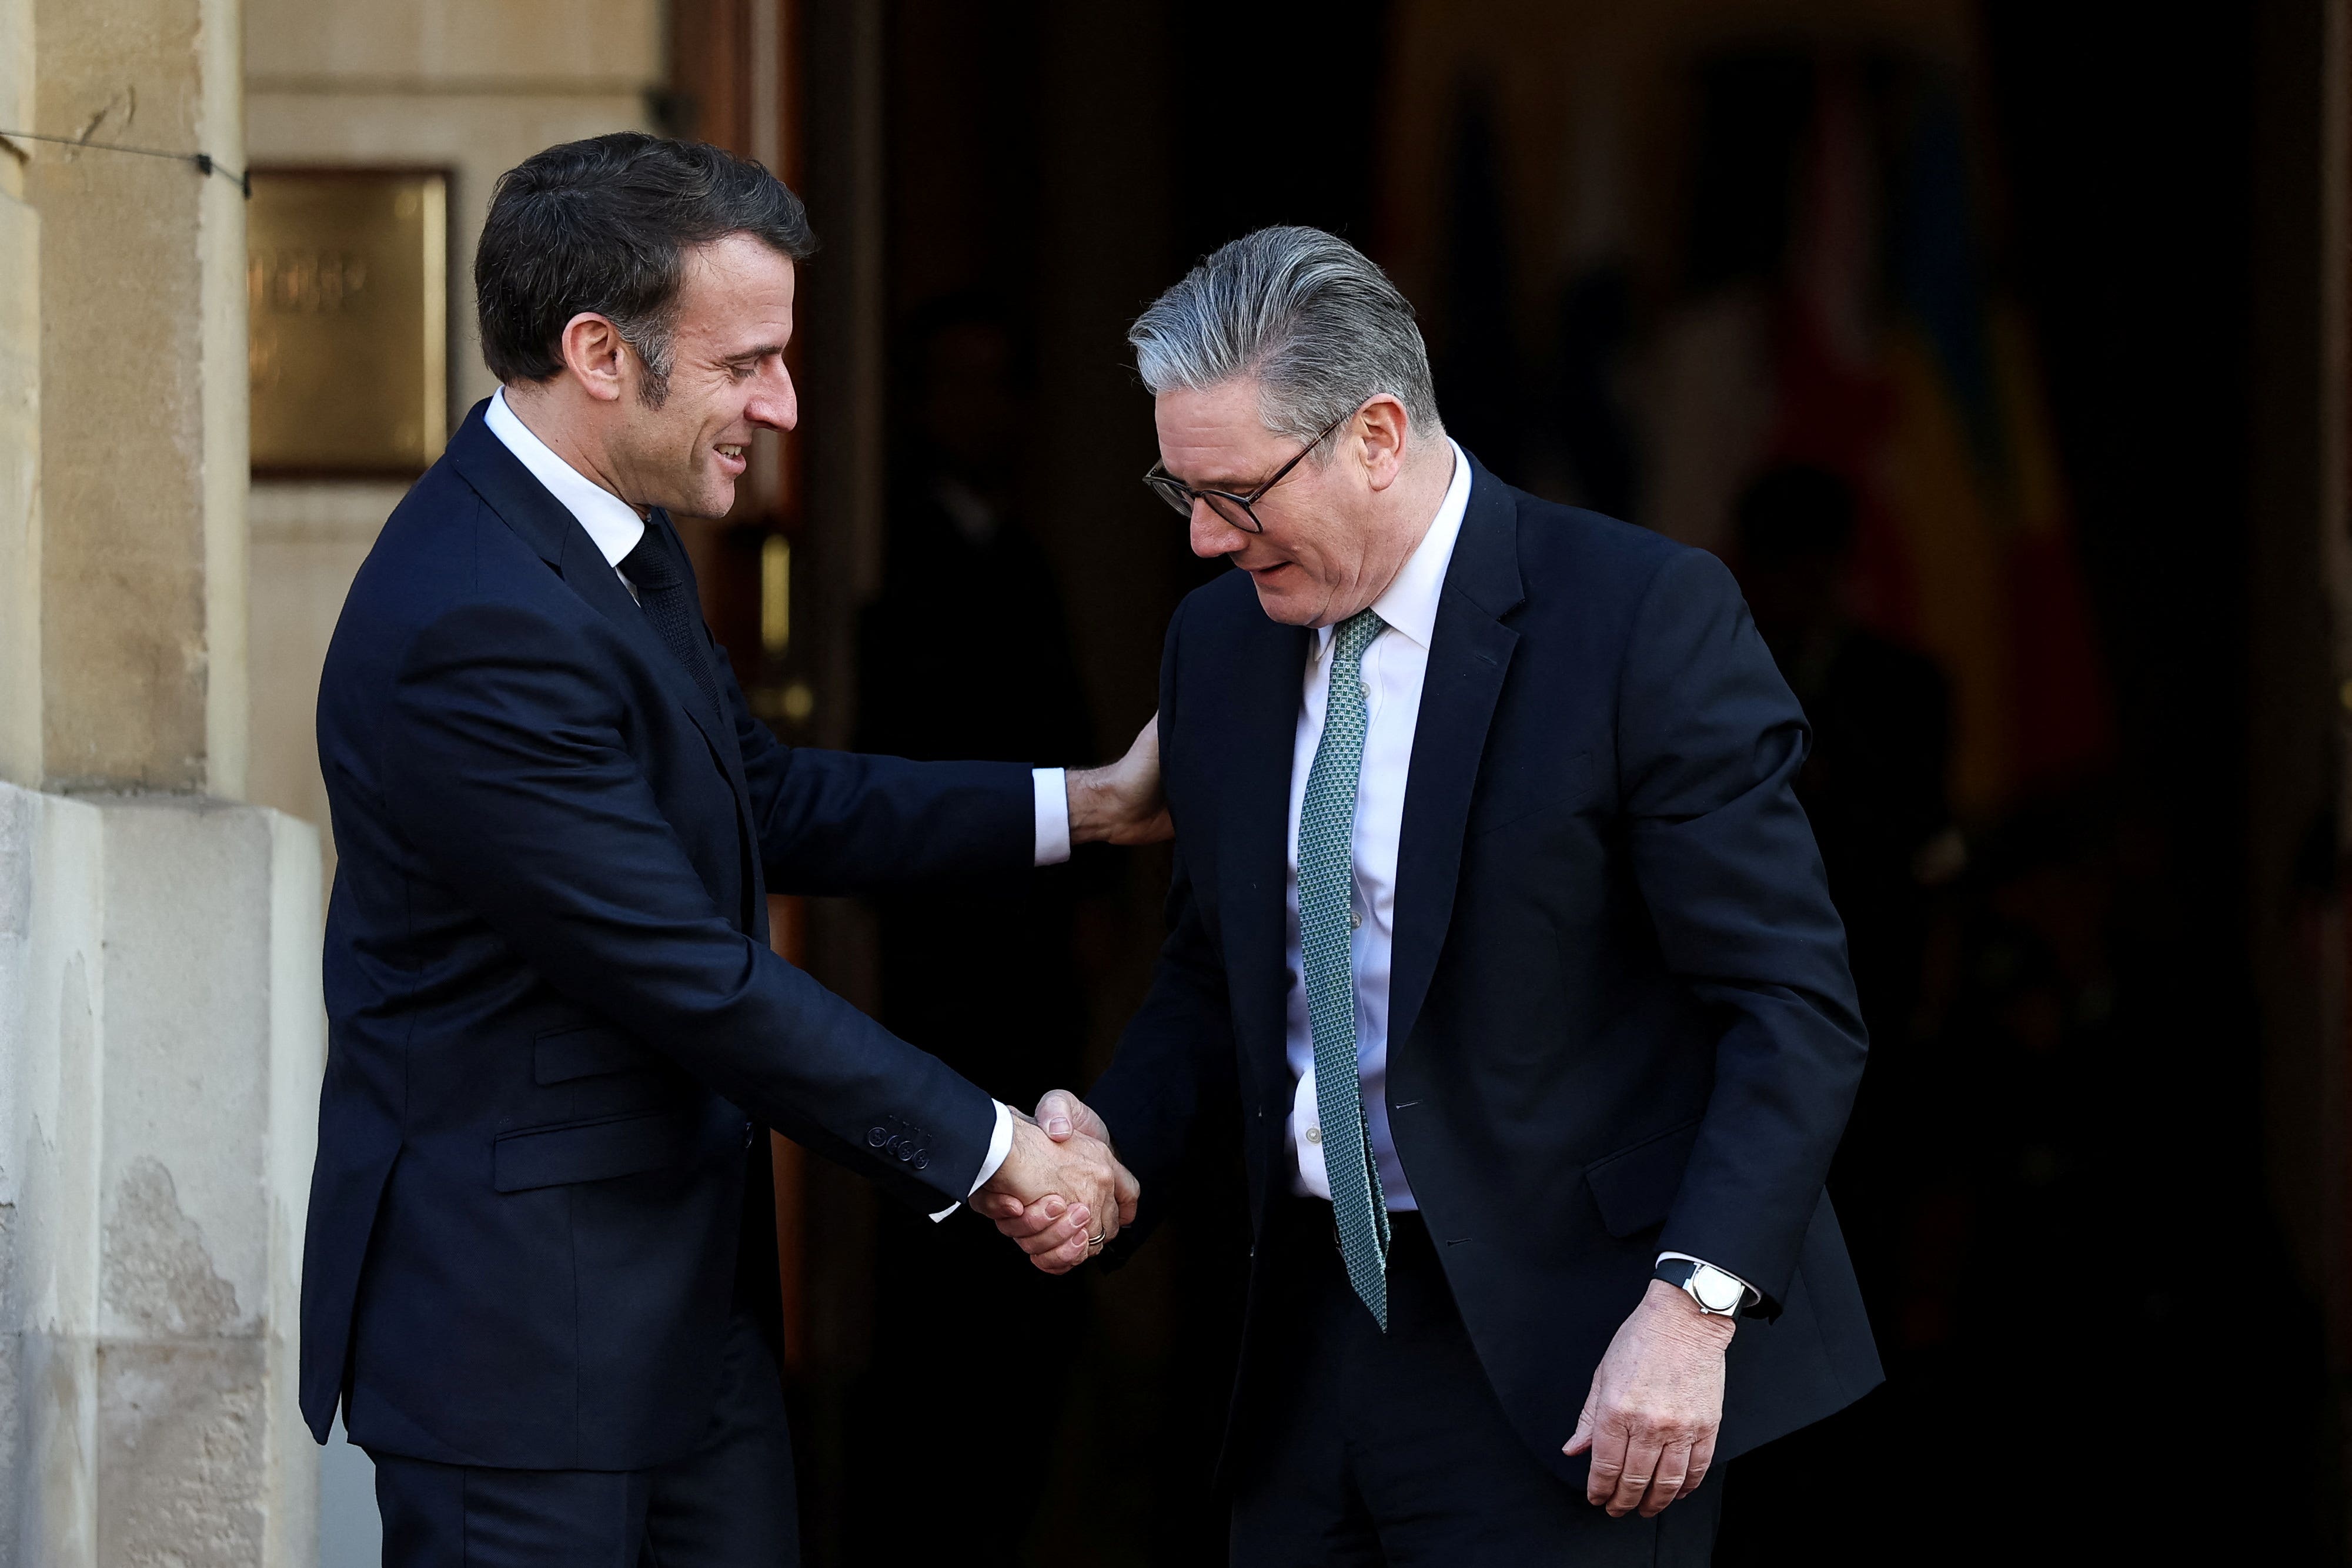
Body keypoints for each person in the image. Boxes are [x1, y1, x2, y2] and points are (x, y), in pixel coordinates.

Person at [299, 133, 1162, 1567]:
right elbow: (689, 973)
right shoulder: (473, 619)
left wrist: (1091, 803)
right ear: (598, 352)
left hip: (683, 1316)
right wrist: (1000, 1152)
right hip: (518, 1351)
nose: (785, 402)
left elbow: (761, 795)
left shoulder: (614, 539)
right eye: (746, 362)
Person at [984, 227, 1881, 1564]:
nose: (1205, 538)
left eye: (1235, 493)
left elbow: (1789, 1007)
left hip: (1580, 1353)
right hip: (1299, 1344)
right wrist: (1113, 1144)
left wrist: (1692, 1308)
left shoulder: (1638, 618)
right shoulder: (1218, 642)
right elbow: (1218, 967)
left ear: (1377, 436)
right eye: (1180, 491)